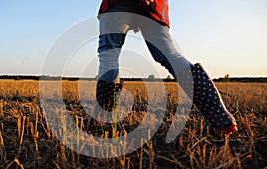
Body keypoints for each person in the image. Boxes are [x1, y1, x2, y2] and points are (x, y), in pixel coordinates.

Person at [96, 0, 238, 134]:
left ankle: (105, 116)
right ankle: (219, 118)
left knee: (109, 54)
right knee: (169, 54)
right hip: (155, 5)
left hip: (118, 3)